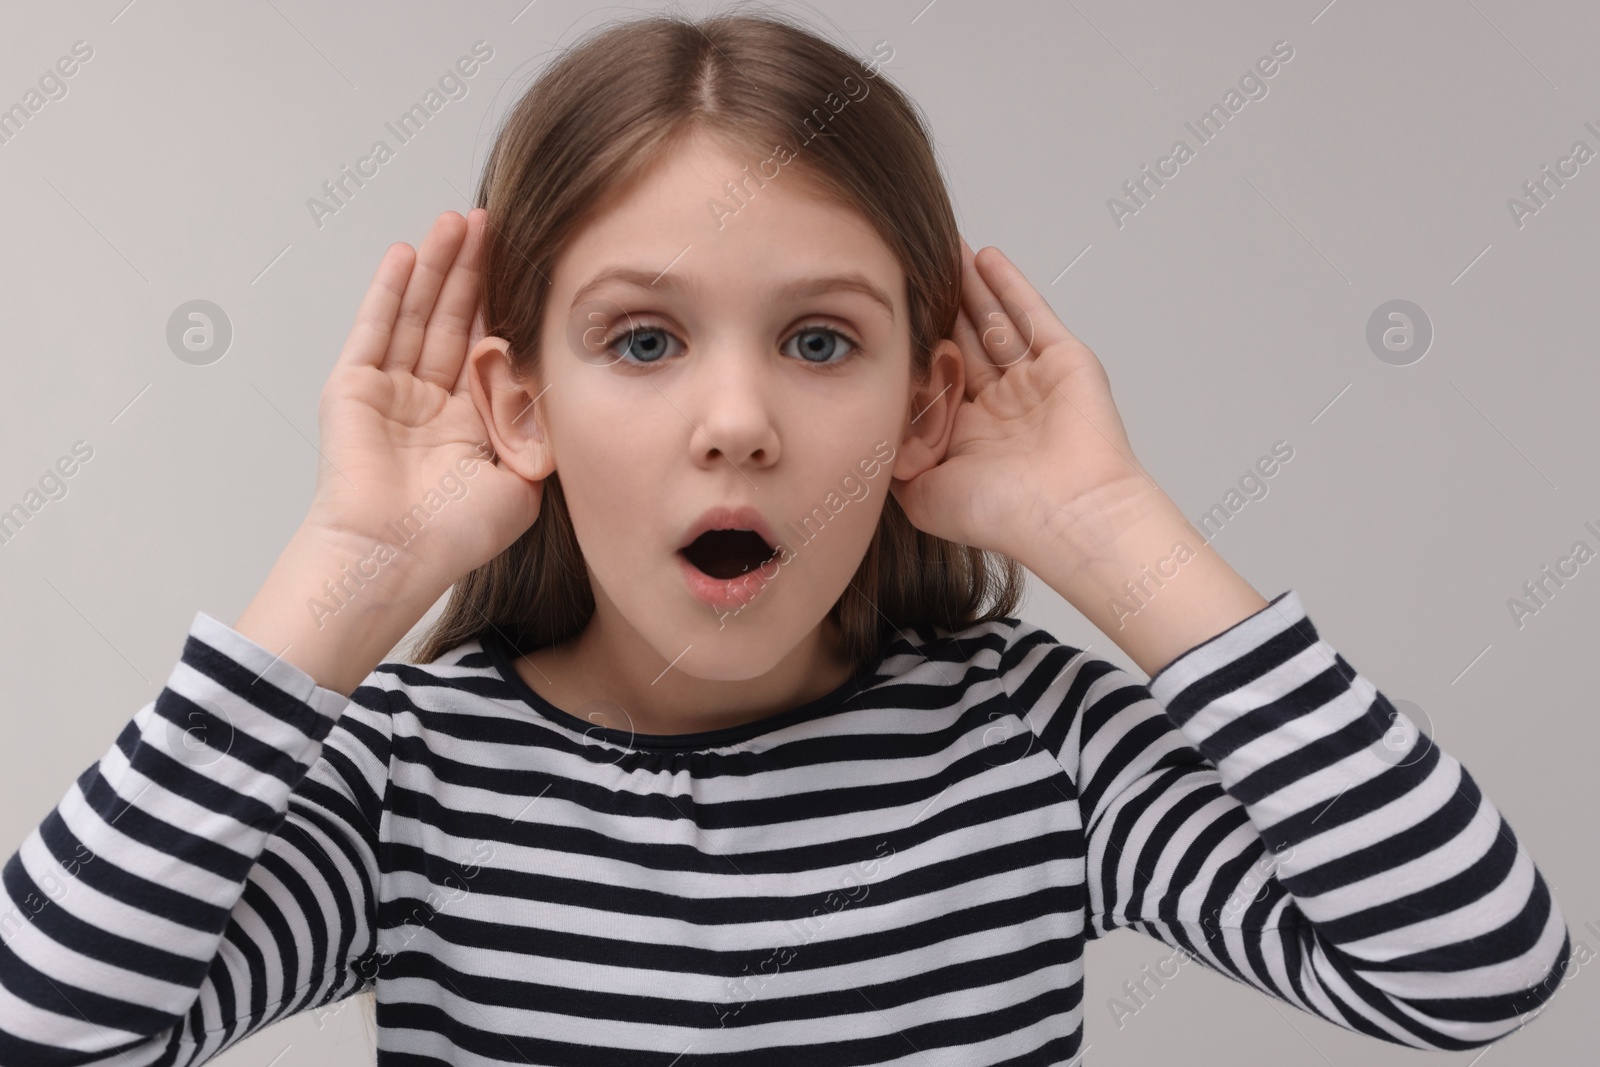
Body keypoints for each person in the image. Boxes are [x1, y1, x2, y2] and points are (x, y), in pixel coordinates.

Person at [0, 10, 1569, 1065]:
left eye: (822, 343)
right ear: (519, 406)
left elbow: (1470, 970)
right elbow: (52, 1023)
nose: (737, 419)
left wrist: (1111, 530)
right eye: (640, 342)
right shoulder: (412, 778)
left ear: (925, 401)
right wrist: (349, 565)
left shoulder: (1034, 747)